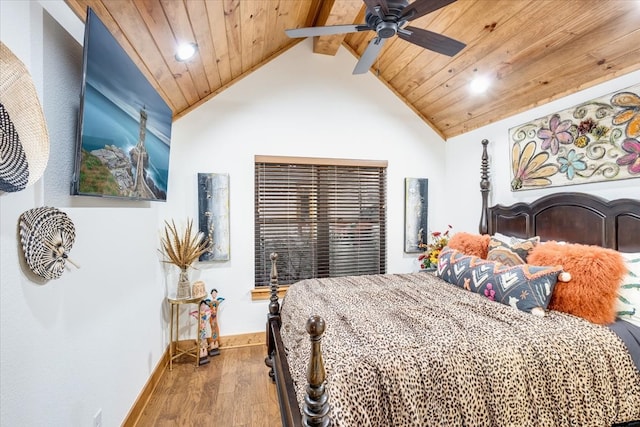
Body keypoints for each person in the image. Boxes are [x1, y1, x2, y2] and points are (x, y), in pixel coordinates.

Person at [206, 288, 224, 356]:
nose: (214, 294)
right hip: (212, 318)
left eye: (215, 293)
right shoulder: (210, 302)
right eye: (213, 293)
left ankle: (216, 343)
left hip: (215, 318)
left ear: (216, 294)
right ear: (211, 294)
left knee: (216, 329)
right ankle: (212, 344)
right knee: (213, 330)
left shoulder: (217, 302)